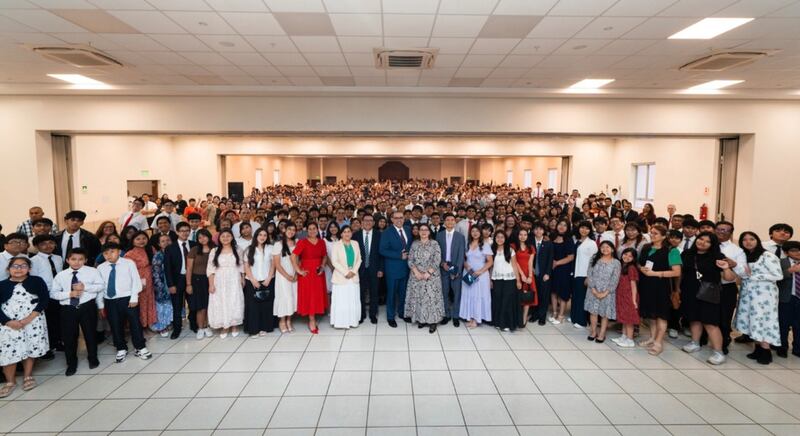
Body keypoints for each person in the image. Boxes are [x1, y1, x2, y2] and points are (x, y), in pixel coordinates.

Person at [679, 232, 737, 365]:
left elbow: (730, 278)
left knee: (710, 322)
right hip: (689, 291)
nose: (703, 242)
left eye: (708, 241)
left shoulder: (717, 256)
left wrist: (726, 268)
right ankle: (695, 342)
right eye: (701, 239)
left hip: (708, 293)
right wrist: (678, 289)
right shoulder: (687, 254)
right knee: (694, 318)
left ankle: (718, 352)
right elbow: (682, 273)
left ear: (712, 244)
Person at [0, 256, 49, 397]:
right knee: (8, 351)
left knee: (29, 347)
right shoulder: (2, 284)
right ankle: (10, 382)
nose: (19, 269)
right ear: (8, 269)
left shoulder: (37, 281)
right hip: (8, 323)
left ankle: (28, 376)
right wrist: (8, 321)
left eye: (23, 266)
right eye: (15, 266)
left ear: (29, 269)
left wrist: (29, 318)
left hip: (32, 320)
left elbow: (44, 300)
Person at [51, 248, 104, 376]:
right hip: (68, 308)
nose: (77, 262)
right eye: (73, 259)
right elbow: (53, 294)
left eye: (80, 259)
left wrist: (85, 287)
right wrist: (69, 294)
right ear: (67, 260)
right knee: (69, 337)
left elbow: (100, 286)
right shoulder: (61, 275)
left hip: (87, 306)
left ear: (85, 260)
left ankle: (92, 358)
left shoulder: (92, 271)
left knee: (90, 333)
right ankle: (71, 363)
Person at [97, 242, 152, 363]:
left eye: (112, 252)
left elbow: (136, 281)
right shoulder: (101, 268)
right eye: (106, 253)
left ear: (119, 252)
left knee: (135, 323)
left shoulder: (128, 263)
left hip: (127, 298)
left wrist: (134, 298)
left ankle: (140, 347)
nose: (109, 255)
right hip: (110, 300)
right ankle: (121, 348)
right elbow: (100, 287)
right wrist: (100, 305)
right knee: (115, 324)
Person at [736, 231, 783, 364]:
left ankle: (766, 351)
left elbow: (778, 275)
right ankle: (757, 348)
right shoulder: (745, 256)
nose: (748, 242)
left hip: (764, 295)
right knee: (752, 320)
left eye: (752, 239)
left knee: (763, 321)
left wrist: (755, 276)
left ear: (757, 240)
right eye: (744, 240)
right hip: (748, 293)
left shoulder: (767, 255)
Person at [638, 224, 682, 356]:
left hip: (662, 286)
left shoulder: (671, 251)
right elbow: (639, 263)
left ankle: (658, 342)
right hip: (646, 285)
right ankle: (652, 337)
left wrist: (656, 274)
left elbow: (676, 272)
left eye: (655, 233)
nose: (652, 235)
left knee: (661, 315)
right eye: (651, 232)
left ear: (664, 236)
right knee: (651, 315)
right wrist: (641, 268)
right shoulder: (646, 247)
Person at [405, 223, 445, 333]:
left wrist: (428, 272)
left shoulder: (434, 244)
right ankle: (421, 319)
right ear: (418, 232)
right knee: (418, 297)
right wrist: (416, 272)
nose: (423, 232)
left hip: (431, 276)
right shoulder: (414, 244)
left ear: (429, 232)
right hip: (416, 276)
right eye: (421, 230)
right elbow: (410, 259)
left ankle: (433, 322)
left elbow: (437, 259)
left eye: (426, 229)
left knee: (431, 299)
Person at [715, 221, 747, 354]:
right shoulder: (707, 244)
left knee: (725, 316)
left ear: (731, 233)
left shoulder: (737, 250)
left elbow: (744, 272)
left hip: (726, 287)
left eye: (725, 230)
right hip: (706, 285)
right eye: (719, 229)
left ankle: (723, 342)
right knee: (707, 315)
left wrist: (734, 264)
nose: (721, 232)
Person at [29, 235, 63, 358]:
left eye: (51, 243)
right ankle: (46, 348)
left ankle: (58, 342)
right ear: (36, 246)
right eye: (43, 244)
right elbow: (34, 279)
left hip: (58, 292)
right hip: (44, 294)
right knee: (46, 321)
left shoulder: (58, 258)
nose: (48, 246)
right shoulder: (33, 261)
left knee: (58, 319)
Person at [206, 230, 244, 338]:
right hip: (219, 280)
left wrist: (243, 278)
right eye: (223, 236)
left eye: (228, 236)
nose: (226, 238)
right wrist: (211, 284)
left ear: (232, 237)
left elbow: (241, 265)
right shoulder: (214, 251)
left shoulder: (238, 249)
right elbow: (210, 269)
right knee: (221, 301)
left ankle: (234, 324)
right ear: (219, 238)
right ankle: (224, 326)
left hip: (234, 278)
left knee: (234, 301)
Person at [292, 222, 328, 334]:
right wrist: (298, 270)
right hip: (307, 273)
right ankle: (311, 320)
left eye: (314, 228)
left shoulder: (321, 242)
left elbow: (324, 256)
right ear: (307, 231)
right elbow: (293, 256)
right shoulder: (302, 242)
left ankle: (315, 315)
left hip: (318, 272)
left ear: (317, 230)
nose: (312, 231)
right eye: (310, 229)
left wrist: (322, 266)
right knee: (310, 295)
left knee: (316, 294)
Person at [379, 211, 412, 328]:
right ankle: (390, 317)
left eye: (401, 217)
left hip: (406, 268)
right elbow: (382, 250)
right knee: (392, 294)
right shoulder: (387, 232)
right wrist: (399, 255)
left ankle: (402, 313)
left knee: (404, 293)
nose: (399, 220)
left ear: (404, 219)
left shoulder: (408, 229)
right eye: (396, 218)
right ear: (392, 219)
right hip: (392, 269)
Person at [164, 222, 197, 339]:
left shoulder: (194, 245)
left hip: (191, 279)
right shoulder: (170, 248)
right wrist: (170, 285)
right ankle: (177, 328)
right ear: (177, 232)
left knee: (193, 304)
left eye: (187, 231)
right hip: (177, 280)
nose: (185, 233)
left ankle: (193, 324)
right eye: (182, 231)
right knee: (177, 306)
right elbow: (167, 268)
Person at [584, 241, 621, 343]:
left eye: (607, 247)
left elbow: (615, 279)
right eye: (603, 247)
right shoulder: (594, 259)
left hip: (608, 292)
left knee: (605, 314)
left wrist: (605, 292)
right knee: (593, 312)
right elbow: (589, 274)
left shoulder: (616, 263)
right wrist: (593, 290)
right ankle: (593, 332)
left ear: (612, 249)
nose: (605, 249)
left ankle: (602, 334)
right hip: (593, 290)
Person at [243, 228, 276, 336]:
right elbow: (246, 266)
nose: (262, 237)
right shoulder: (249, 249)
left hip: (267, 280)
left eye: (265, 235)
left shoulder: (270, 248)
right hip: (252, 281)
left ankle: (265, 327)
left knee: (266, 305)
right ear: (256, 236)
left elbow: (273, 265)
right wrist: (253, 280)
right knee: (253, 306)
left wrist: (269, 278)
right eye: (260, 235)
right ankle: (254, 329)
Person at [460, 225, 494, 329]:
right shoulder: (467, 244)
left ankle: (476, 319)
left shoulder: (485, 245)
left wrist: (479, 272)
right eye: (473, 231)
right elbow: (464, 259)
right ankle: (470, 317)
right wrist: (467, 267)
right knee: (469, 295)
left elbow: (490, 262)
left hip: (481, 275)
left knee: (478, 296)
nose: (475, 233)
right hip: (469, 273)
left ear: (480, 233)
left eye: (477, 231)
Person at [329, 225, 362, 329]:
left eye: (349, 231)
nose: (347, 233)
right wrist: (346, 272)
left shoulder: (355, 243)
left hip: (353, 276)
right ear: (341, 234)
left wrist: (353, 271)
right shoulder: (336, 245)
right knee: (342, 300)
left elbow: (359, 259)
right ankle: (341, 323)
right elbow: (334, 261)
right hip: (341, 277)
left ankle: (352, 321)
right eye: (345, 232)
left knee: (352, 299)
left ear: (351, 233)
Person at [124, 231, 158, 331]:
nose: (141, 241)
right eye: (138, 239)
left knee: (150, 300)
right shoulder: (129, 254)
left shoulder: (151, 249)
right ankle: (141, 324)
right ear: (133, 241)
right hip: (138, 280)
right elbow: (127, 272)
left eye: (144, 238)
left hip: (151, 279)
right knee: (140, 301)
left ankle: (150, 322)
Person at [352, 214, 383, 324]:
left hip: (375, 269)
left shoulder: (379, 235)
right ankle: (361, 314)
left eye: (370, 220)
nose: (368, 222)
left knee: (374, 292)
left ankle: (373, 314)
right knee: (360, 292)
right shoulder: (356, 235)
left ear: (374, 223)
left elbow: (381, 253)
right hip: (359, 269)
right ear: (362, 222)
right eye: (365, 220)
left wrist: (381, 269)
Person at [436, 213, 465, 327]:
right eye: (447, 220)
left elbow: (461, 255)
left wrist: (456, 271)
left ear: (455, 222)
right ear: (444, 222)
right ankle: (447, 315)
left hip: (455, 267)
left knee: (457, 293)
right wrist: (442, 263)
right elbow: (437, 252)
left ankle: (456, 316)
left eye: (452, 220)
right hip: (443, 267)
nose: (450, 222)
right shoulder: (439, 235)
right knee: (444, 292)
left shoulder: (460, 236)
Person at [491, 231, 521, 332]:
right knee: (498, 300)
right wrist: (490, 279)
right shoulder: (492, 249)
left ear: (505, 239)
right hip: (497, 278)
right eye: (497, 237)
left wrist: (518, 280)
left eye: (502, 237)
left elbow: (514, 265)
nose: (500, 239)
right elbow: (491, 266)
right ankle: (498, 322)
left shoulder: (510, 250)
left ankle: (507, 323)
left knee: (507, 301)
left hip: (509, 279)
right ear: (495, 238)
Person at [186, 229, 214, 340]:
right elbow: (189, 268)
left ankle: (207, 326)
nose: (202, 239)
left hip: (212, 279)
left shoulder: (215, 249)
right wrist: (188, 284)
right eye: (200, 237)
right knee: (200, 306)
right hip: (197, 280)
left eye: (204, 236)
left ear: (209, 236)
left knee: (209, 305)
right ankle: (200, 328)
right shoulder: (194, 250)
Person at [612, 248, 640, 348]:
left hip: (629, 296)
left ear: (634, 258)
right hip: (622, 295)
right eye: (625, 254)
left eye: (630, 256)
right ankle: (624, 337)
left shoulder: (631, 268)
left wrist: (634, 300)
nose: (627, 257)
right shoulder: (622, 265)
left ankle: (630, 340)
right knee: (624, 318)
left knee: (629, 320)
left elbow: (633, 285)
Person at [572, 221, 597, 329]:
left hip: (584, 273)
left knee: (582, 298)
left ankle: (582, 321)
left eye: (587, 228)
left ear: (590, 230)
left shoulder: (592, 243)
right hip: (576, 272)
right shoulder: (576, 240)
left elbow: (594, 261)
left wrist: (589, 276)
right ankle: (574, 317)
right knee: (576, 296)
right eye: (582, 227)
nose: (584, 230)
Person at [549, 219, 575, 325]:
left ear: (568, 228)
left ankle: (561, 315)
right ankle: (554, 312)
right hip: (552, 269)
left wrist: (557, 263)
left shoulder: (569, 240)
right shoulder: (552, 237)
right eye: (560, 224)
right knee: (553, 291)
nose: (562, 227)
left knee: (563, 292)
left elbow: (571, 257)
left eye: (565, 225)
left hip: (564, 269)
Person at [777, 241, 800, 358]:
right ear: (786, 252)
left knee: (798, 324)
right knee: (783, 324)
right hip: (786, 298)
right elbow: (776, 278)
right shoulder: (781, 262)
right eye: (794, 250)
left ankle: (797, 348)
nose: (798, 253)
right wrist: (790, 271)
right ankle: (782, 347)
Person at [273, 223, 298, 333]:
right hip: (283, 275)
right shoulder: (278, 244)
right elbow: (277, 264)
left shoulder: (297, 243)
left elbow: (298, 260)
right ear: (284, 230)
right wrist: (287, 276)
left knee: (292, 296)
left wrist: (296, 273)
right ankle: (282, 321)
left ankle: (289, 320)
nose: (291, 232)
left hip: (294, 273)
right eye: (289, 229)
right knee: (284, 296)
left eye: (293, 230)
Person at [150, 234, 173, 337]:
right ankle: (161, 326)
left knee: (171, 305)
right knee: (162, 306)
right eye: (163, 241)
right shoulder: (158, 255)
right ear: (159, 244)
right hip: (162, 284)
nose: (166, 242)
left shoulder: (173, 253)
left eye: (168, 240)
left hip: (172, 283)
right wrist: (160, 286)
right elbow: (155, 273)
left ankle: (169, 323)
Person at [531, 222, 554, 325]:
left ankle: (542, 316)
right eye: (536, 229)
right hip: (532, 273)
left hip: (544, 274)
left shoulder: (548, 244)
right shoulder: (530, 243)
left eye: (540, 229)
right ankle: (534, 315)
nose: (538, 231)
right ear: (533, 231)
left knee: (544, 296)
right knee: (534, 295)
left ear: (543, 231)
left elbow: (550, 260)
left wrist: (547, 273)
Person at [514, 228, 536, 328]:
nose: (522, 237)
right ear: (517, 235)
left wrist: (530, 276)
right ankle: (517, 318)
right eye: (520, 234)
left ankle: (524, 317)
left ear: (527, 236)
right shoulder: (514, 246)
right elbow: (514, 262)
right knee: (517, 296)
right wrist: (522, 275)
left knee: (527, 297)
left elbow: (530, 262)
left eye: (525, 235)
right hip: (517, 273)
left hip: (528, 274)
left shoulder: (531, 247)